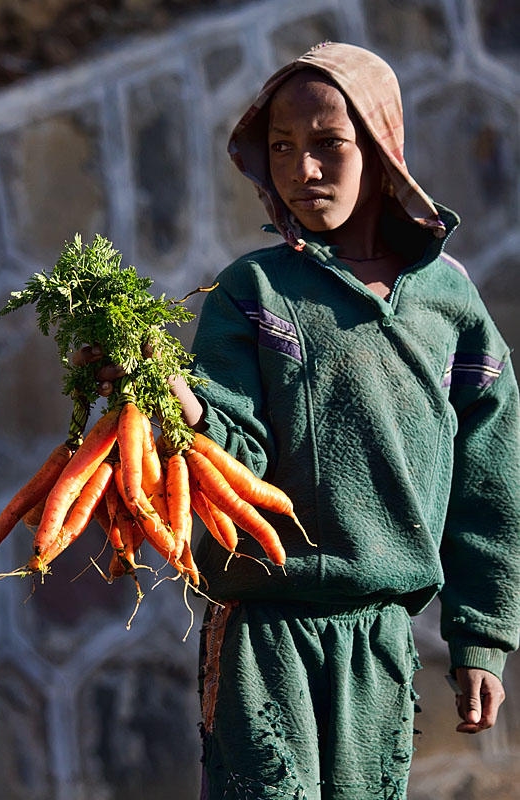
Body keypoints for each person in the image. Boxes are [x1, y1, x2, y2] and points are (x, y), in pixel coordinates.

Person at [90, 42, 519, 800]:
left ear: (381, 150)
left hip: (379, 637)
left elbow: (490, 482)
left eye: (329, 144)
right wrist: (173, 396)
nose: (303, 169)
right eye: (282, 147)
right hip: (263, 631)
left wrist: (481, 635)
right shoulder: (251, 291)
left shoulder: (449, 303)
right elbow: (235, 454)